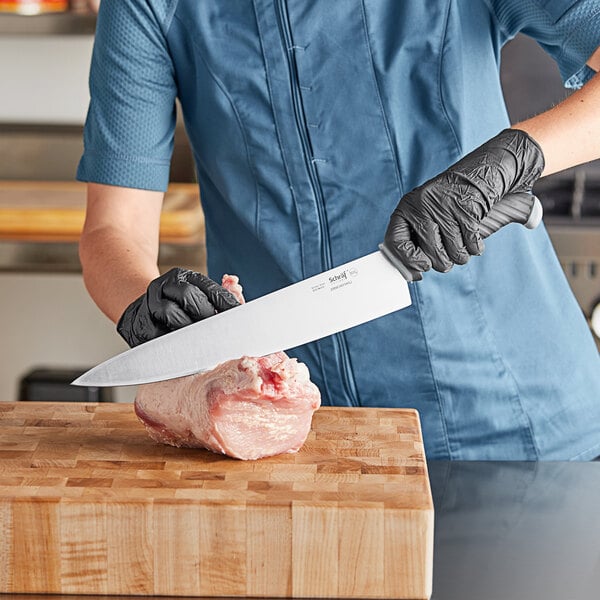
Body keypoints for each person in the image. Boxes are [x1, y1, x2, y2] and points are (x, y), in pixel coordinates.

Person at [77, 0, 600, 460]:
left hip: (518, 429)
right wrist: (140, 304)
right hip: (284, 437)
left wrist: (518, 155)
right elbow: (112, 227)